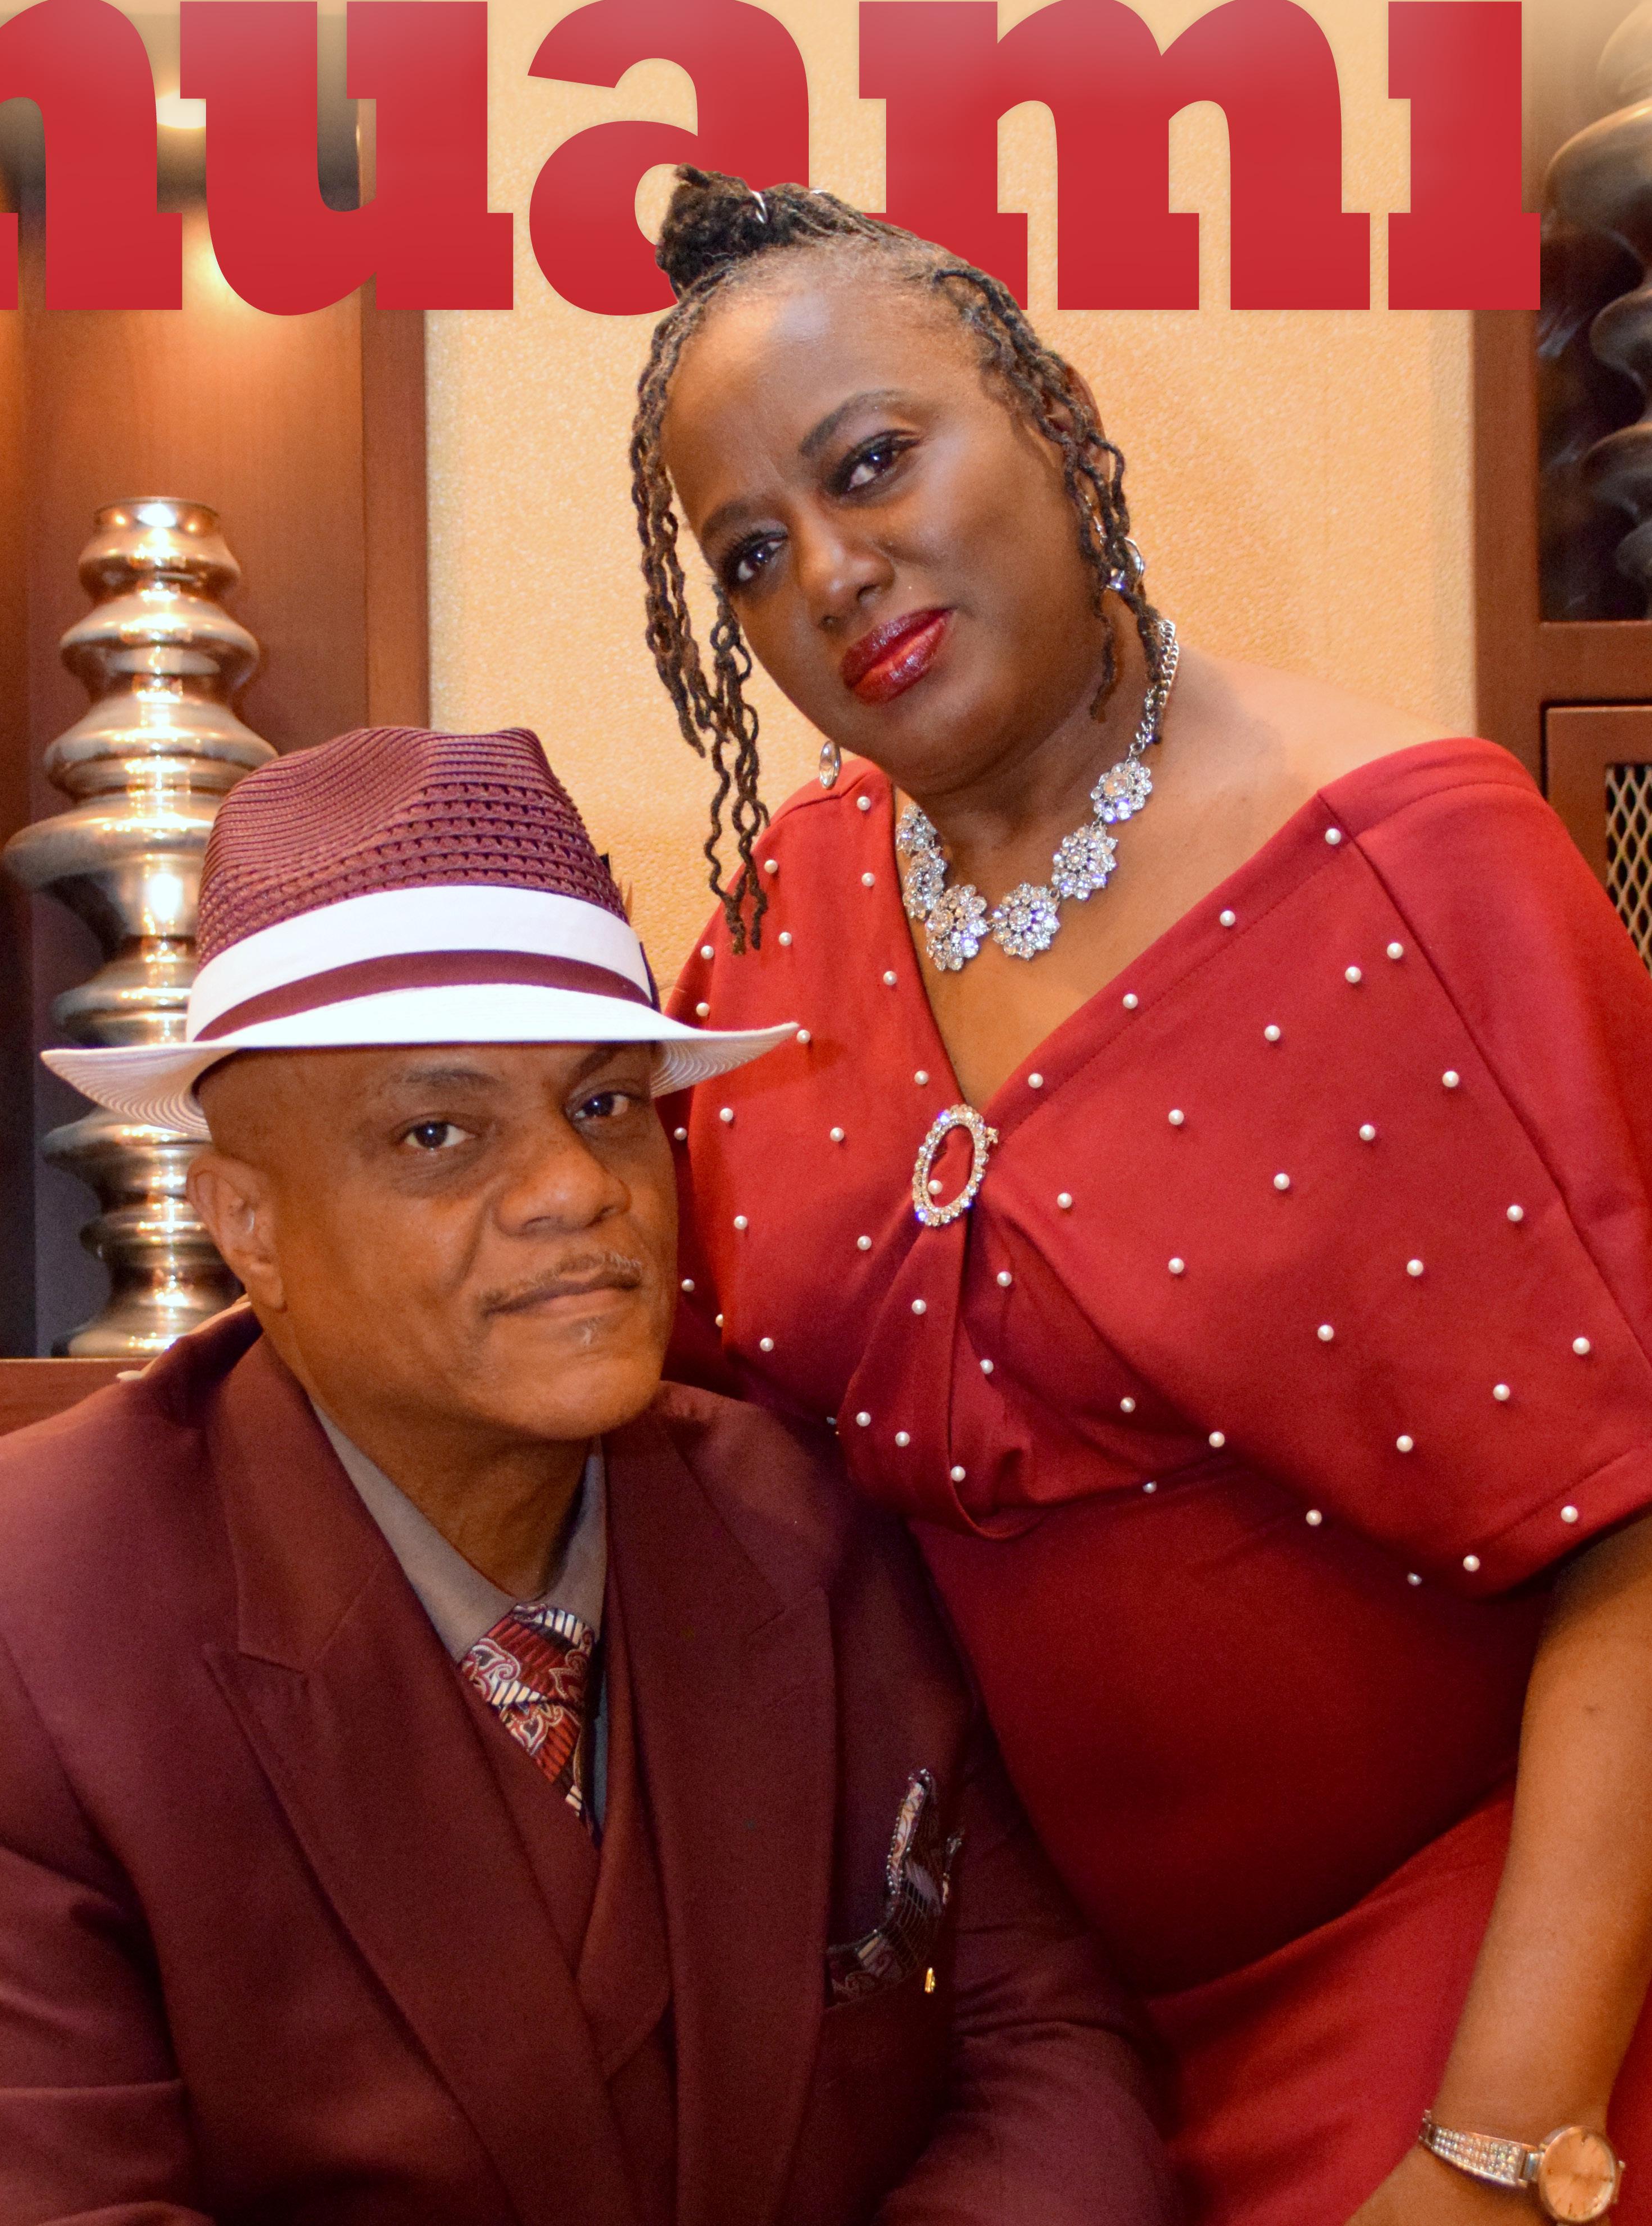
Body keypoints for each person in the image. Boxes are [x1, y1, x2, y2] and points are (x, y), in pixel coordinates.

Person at [0, 724, 1177, 2226]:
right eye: (437, 1130)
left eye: (605, 1104)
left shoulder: (807, 1522)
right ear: (248, 1225)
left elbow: (1047, 2048)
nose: (577, 1189)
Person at [629, 170, 1652, 2226]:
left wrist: (1490, 2141)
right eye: (747, 549)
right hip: (1020, 2023)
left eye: (871, 460)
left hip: (1452, 1963)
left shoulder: (1417, 864)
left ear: (1052, 417)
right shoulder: (772, 929)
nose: (827, 567)